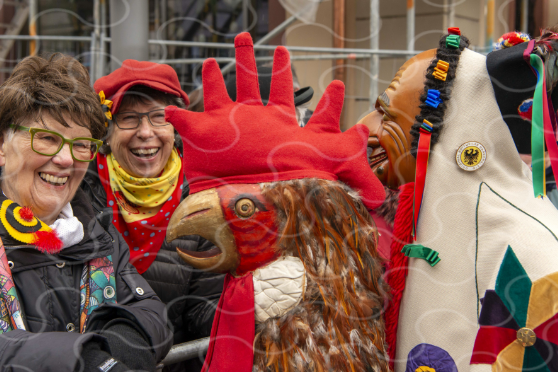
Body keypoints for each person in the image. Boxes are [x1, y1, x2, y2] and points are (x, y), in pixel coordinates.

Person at [0, 54, 172, 371]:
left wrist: (123, 338)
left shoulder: (95, 232)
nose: (66, 159)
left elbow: (150, 309)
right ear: (2, 144)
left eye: (81, 144)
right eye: (47, 138)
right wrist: (83, 357)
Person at [81, 59, 224, 371]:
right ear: (107, 131)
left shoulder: (202, 196)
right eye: (129, 119)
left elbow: (203, 311)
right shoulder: (79, 191)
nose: (146, 133)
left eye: (159, 118)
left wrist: (252, 309)